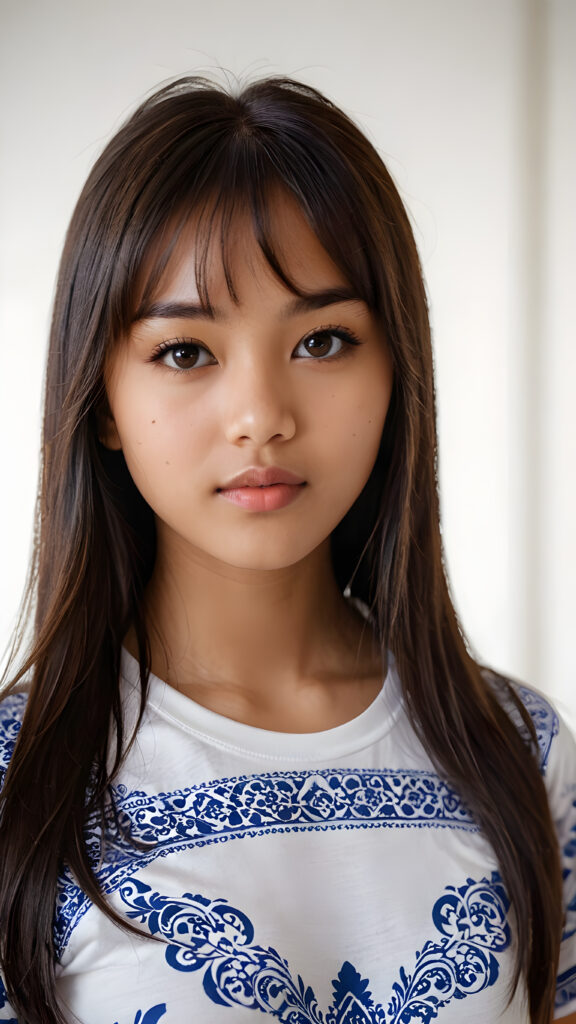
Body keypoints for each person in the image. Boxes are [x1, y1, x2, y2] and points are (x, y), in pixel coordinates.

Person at [0, 76, 574, 1024]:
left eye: (323, 341)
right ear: (100, 399)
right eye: (186, 351)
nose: (262, 417)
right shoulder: (19, 790)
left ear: (401, 373)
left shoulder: (524, 752)